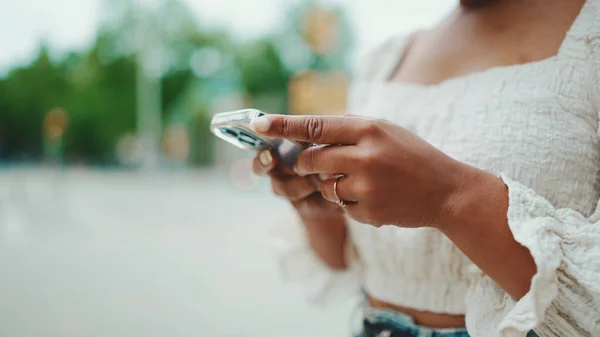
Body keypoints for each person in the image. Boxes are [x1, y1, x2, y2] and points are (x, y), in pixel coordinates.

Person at [252, 0, 600, 336]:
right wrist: (317, 202)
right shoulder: (385, 59)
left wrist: (447, 197)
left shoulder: (589, 36)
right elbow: (348, 262)